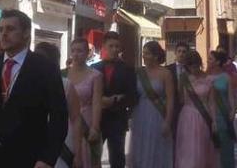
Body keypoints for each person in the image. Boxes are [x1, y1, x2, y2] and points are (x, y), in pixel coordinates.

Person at [0, 9, 68, 168]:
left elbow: (59, 118)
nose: (3, 34)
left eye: (10, 29)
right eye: (1, 29)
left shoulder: (46, 69)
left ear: (25, 33)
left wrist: (46, 159)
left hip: (27, 158)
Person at [92, 31, 137, 168]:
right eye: (111, 46)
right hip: (97, 119)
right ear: (104, 46)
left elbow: (133, 96)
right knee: (93, 156)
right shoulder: (94, 68)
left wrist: (115, 100)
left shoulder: (128, 70)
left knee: (117, 158)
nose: (114, 49)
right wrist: (101, 100)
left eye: (117, 46)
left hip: (117, 120)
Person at [57, 38, 103, 168]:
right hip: (66, 121)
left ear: (87, 53)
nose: (76, 54)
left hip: (85, 122)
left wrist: (95, 126)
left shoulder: (95, 76)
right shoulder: (63, 74)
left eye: (80, 51)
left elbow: (96, 103)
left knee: (84, 158)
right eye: (73, 51)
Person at [129, 40, 175, 168]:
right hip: (140, 114)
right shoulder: (138, 73)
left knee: (157, 146)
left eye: (147, 53)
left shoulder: (166, 73)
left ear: (156, 56)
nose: (144, 56)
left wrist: (168, 121)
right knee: (140, 146)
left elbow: (171, 99)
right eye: (143, 53)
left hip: (158, 115)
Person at [176, 50, 218, 168]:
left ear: (199, 63)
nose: (193, 69)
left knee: (202, 148)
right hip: (187, 117)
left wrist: (214, 121)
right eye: (190, 66)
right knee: (187, 149)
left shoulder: (209, 79)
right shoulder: (183, 79)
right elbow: (180, 99)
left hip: (203, 118)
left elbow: (212, 102)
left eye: (195, 65)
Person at [209, 51, 237, 168]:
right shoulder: (205, 77)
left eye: (210, 59)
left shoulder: (226, 78)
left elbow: (231, 97)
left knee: (225, 147)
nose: (208, 61)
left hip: (223, 115)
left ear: (218, 62)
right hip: (208, 114)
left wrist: (232, 111)